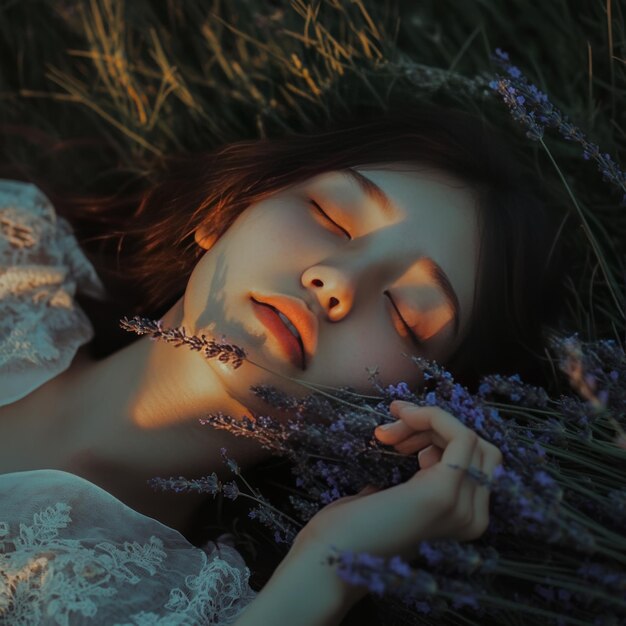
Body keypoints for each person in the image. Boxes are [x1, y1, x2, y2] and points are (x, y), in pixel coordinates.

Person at [0, 101, 566, 624]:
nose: (336, 280)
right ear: (223, 212)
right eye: (330, 216)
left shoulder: (184, 609)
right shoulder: (12, 250)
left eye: (404, 314)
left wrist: (330, 566)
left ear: (411, 411)